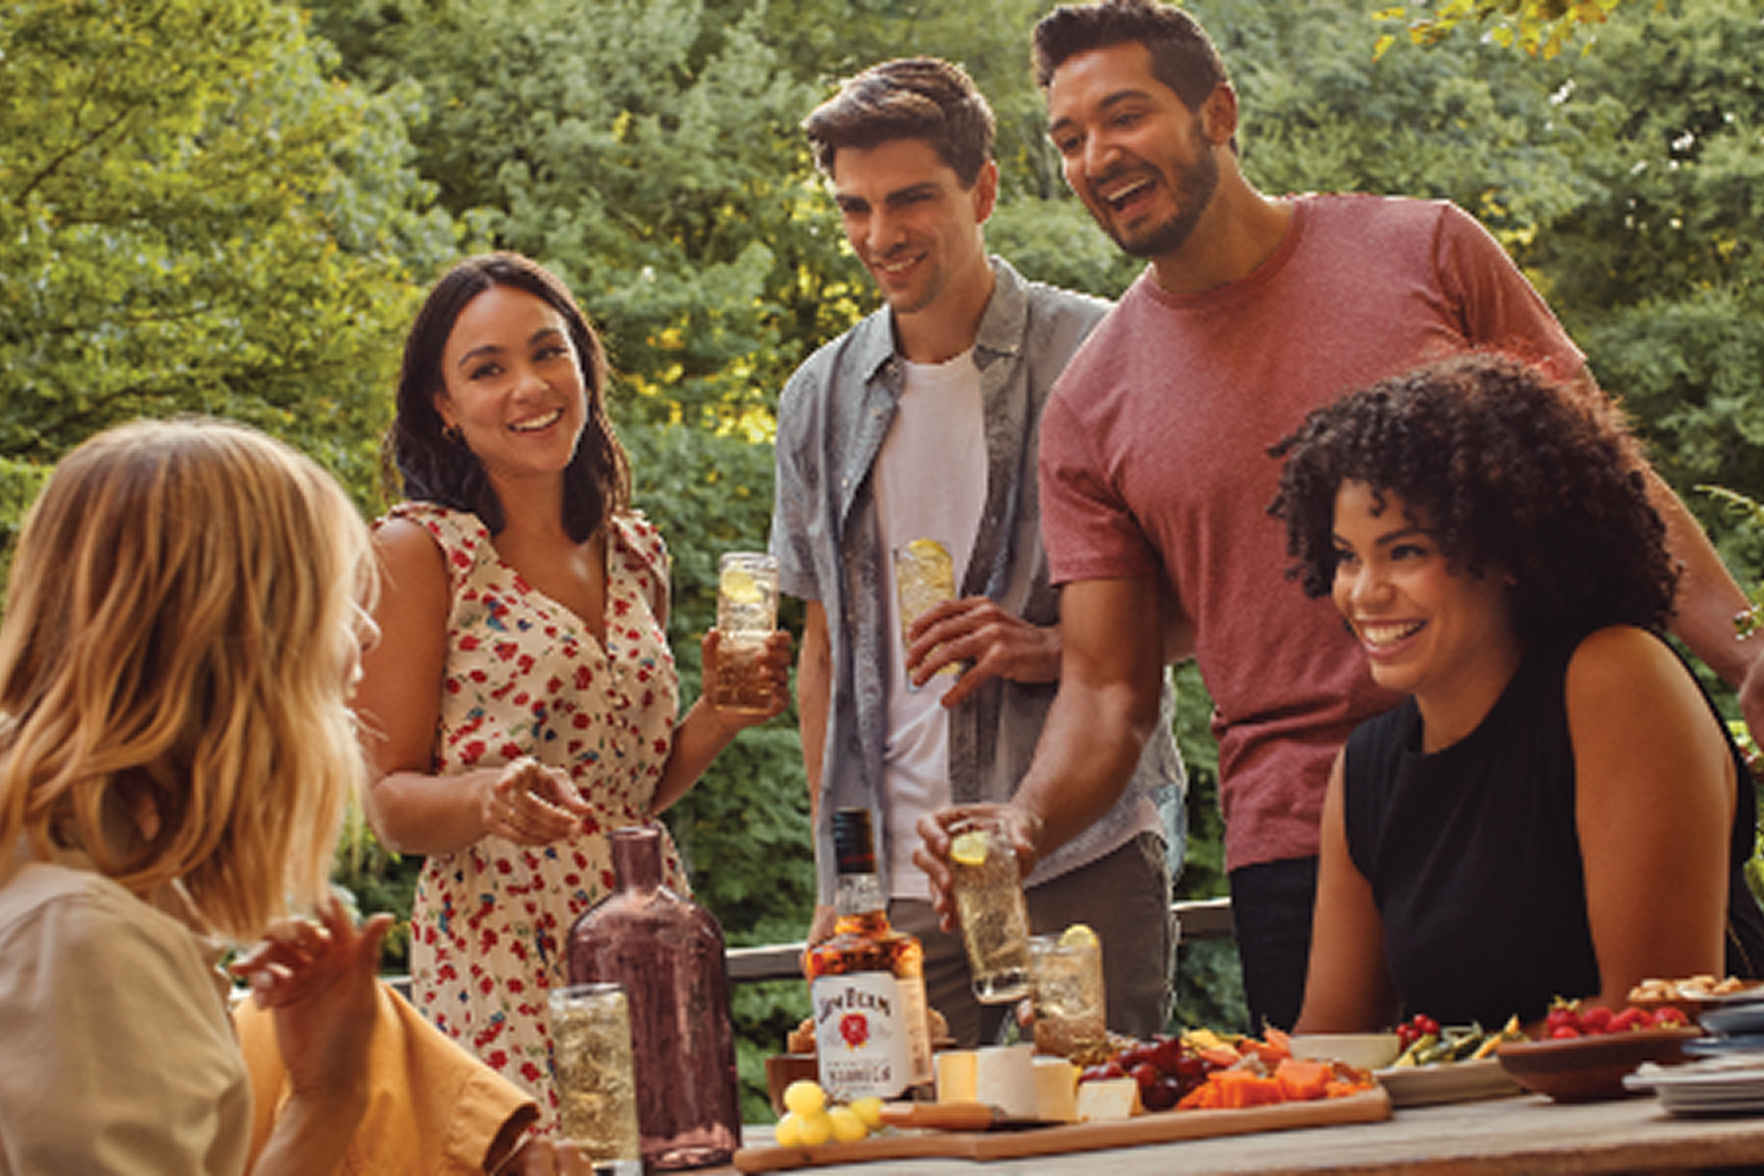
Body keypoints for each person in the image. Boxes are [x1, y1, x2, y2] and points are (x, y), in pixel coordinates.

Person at [917, 0, 1764, 1033]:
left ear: (1217, 112)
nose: (1098, 156)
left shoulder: (1426, 250)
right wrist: (1023, 823)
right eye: (1070, 139)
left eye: (1125, 116)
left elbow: (1605, 481)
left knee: (1627, 1063)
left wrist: (1747, 654)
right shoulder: (1091, 406)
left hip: (1545, 766)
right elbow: (1106, 685)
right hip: (1307, 829)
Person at [0, 419, 593, 1175]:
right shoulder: (80, 943)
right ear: (239, 633)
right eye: (338, 600)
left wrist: (327, 1095)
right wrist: (324, 1101)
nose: (368, 634)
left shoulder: (103, 892)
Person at [771, 57, 1186, 1046]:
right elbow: (820, 663)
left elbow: (1214, 600)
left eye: (911, 199)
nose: (881, 235)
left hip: (1077, 858)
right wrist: (845, 880)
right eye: (855, 208)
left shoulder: (1102, 352)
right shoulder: (815, 399)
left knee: (1102, 1137)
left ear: (983, 189)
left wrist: (1057, 650)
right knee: (901, 1147)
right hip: (900, 890)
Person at [356, 252, 792, 1118]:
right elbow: (389, 804)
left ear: (583, 367)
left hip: (644, 931)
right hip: (498, 947)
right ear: (444, 408)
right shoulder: (417, 554)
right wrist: (488, 799)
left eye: (548, 352)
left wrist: (719, 713)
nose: (529, 386)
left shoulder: (635, 552)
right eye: (488, 369)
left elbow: (630, 794)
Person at [1273, 353, 1764, 1029]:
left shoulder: (1616, 677)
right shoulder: (1366, 770)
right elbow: (1332, 1045)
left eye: (1405, 552)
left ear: (1506, 550)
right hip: (1477, 1130)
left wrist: (1436, 1068)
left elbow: (1656, 1011)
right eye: (1347, 556)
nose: (1364, 592)